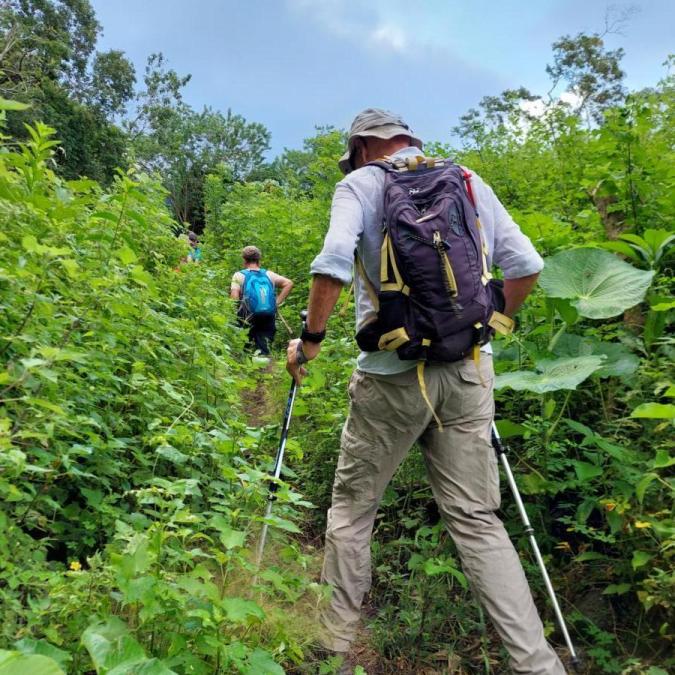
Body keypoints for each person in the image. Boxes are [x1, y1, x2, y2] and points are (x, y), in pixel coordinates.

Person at [286, 109, 566, 674]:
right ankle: (538, 665)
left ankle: (334, 651)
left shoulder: (360, 184)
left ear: (364, 147)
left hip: (390, 375)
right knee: (477, 520)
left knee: (352, 512)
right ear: (409, 139)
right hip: (469, 373)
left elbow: (333, 262)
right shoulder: (466, 179)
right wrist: (491, 326)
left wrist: (311, 341)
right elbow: (527, 264)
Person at [231, 245, 293, 355]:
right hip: (268, 315)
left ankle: (248, 367)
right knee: (264, 345)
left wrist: (234, 314)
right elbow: (289, 283)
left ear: (244, 260)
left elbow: (234, 298)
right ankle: (265, 367)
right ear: (259, 260)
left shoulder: (239, 275)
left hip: (247, 316)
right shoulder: (269, 274)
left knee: (246, 346)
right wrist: (276, 303)